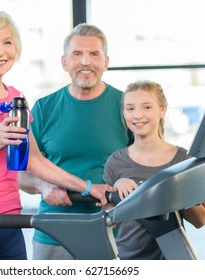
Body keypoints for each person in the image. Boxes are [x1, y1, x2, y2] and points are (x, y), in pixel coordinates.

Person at [0, 10, 112, 260]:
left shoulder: (16, 97)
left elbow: (35, 161)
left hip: (11, 224)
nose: (0, 51)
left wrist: (87, 187)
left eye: (7, 42)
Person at [18, 23, 133, 260]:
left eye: (94, 54)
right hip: (54, 231)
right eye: (77, 54)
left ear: (106, 61)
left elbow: (144, 164)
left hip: (112, 230)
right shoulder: (43, 108)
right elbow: (22, 174)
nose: (85, 62)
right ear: (64, 62)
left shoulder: (126, 106)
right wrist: (43, 186)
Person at [103, 80, 205, 260]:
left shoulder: (183, 160)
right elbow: (108, 222)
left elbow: (200, 220)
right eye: (130, 109)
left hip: (171, 259)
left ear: (162, 110)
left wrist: (174, 193)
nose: (137, 115)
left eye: (146, 107)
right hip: (128, 261)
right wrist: (117, 187)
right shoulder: (116, 162)